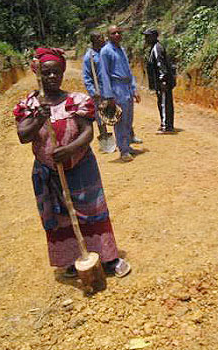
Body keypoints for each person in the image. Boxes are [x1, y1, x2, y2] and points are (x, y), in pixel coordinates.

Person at [13, 47, 131, 279]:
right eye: (46, 73)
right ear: (38, 74)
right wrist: (39, 118)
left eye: (56, 72)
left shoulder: (77, 100)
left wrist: (69, 150)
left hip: (81, 169)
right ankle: (70, 261)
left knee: (92, 212)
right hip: (48, 172)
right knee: (61, 218)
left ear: (63, 72)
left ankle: (108, 258)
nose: (52, 77)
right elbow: (23, 136)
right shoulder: (30, 104)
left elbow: (87, 133)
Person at [99, 25, 141, 162]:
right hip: (116, 88)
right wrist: (109, 96)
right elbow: (104, 74)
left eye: (118, 32)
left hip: (127, 86)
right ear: (108, 36)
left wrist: (134, 89)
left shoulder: (121, 50)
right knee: (120, 120)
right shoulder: (105, 52)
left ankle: (127, 145)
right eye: (113, 33)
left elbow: (129, 71)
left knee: (129, 119)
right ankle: (123, 150)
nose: (117, 35)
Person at [143, 28, 176, 134]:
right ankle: (167, 124)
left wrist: (163, 80)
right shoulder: (155, 48)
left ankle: (166, 126)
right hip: (162, 82)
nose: (146, 39)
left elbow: (160, 65)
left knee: (164, 103)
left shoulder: (157, 48)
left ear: (154, 37)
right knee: (165, 102)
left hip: (163, 82)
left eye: (148, 36)